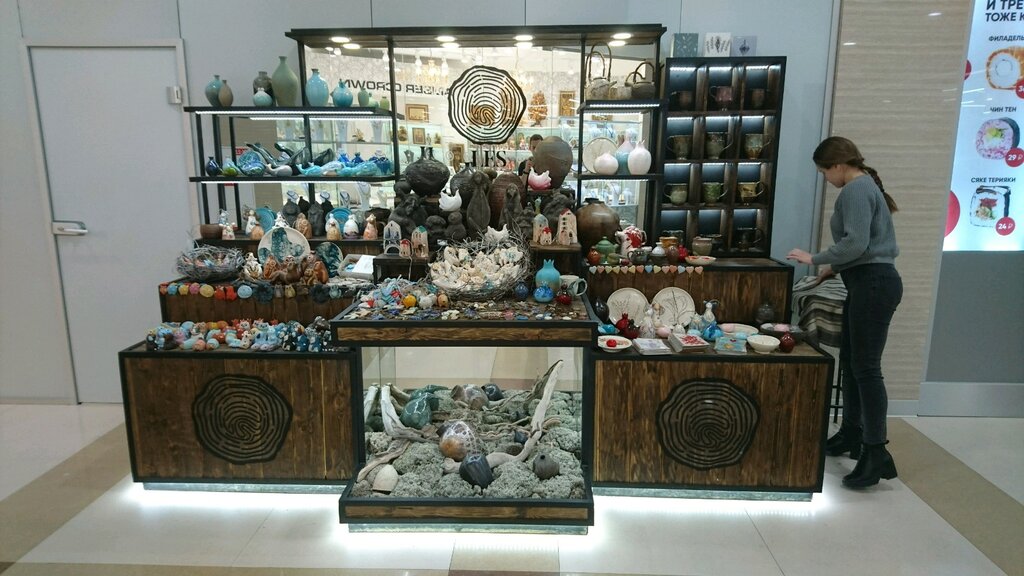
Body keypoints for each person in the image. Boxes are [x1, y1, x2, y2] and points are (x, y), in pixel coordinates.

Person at [787, 136, 903, 489]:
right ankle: (852, 433)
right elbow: (866, 246)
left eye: (825, 171)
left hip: (873, 284)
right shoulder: (864, 186)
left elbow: (856, 243)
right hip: (869, 281)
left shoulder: (855, 189)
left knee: (866, 369)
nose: (826, 178)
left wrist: (814, 258)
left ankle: (875, 451)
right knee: (853, 364)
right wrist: (832, 269)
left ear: (838, 165)